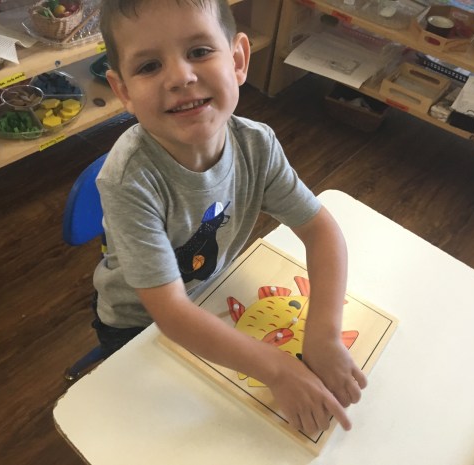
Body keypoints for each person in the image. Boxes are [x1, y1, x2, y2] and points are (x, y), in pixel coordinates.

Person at [94, 0, 367, 435]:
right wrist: (277, 369)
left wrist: (324, 334)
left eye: (199, 51)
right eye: (149, 66)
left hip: (211, 291)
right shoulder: (129, 181)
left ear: (238, 60)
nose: (181, 77)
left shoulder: (257, 144)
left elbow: (320, 231)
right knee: (171, 432)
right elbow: (170, 313)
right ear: (123, 90)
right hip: (137, 324)